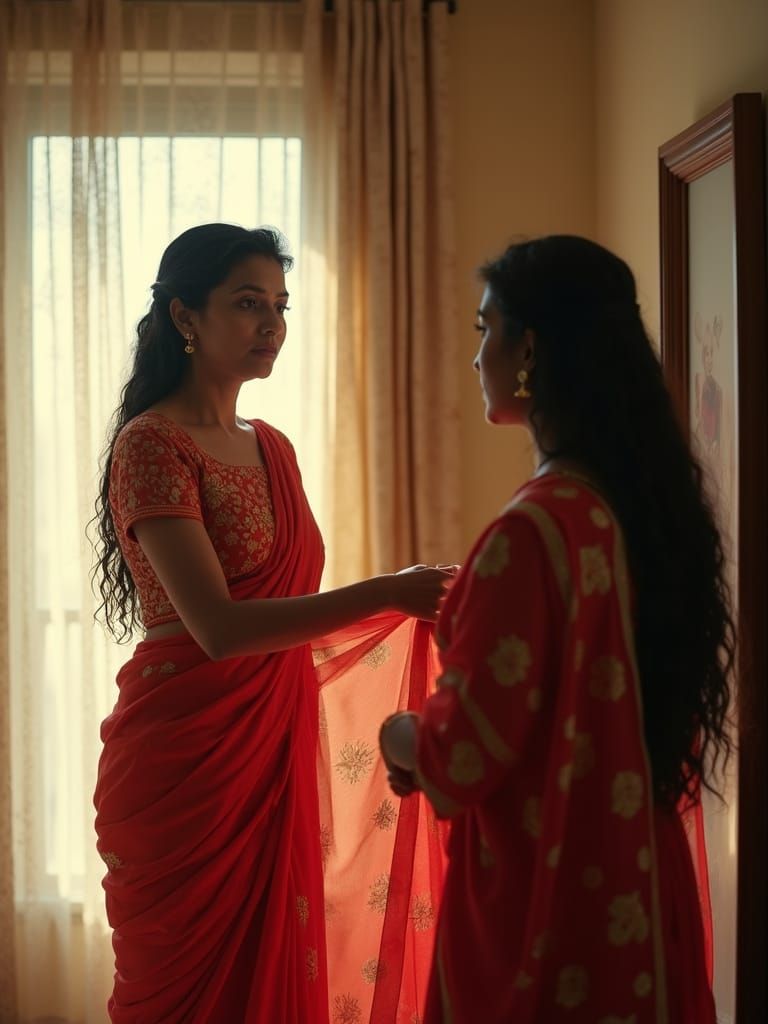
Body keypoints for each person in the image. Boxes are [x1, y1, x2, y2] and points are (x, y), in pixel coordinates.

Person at [91, 223, 453, 1023]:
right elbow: (219, 628)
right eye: (248, 303)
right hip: (185, 758)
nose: (271, 325)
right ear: (186, 317)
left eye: (280, 306)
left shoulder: (275, 449)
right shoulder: (151, 446)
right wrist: (391, 591)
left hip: (270, 742)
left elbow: (288, 613)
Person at [379, 235, 733, 1023]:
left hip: (554, 895)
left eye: (485, 332)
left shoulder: (533, 533)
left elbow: (463, 754)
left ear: (528, 348)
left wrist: (398, 734)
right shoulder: (641, 507)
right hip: (637, 871)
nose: (477, 359)